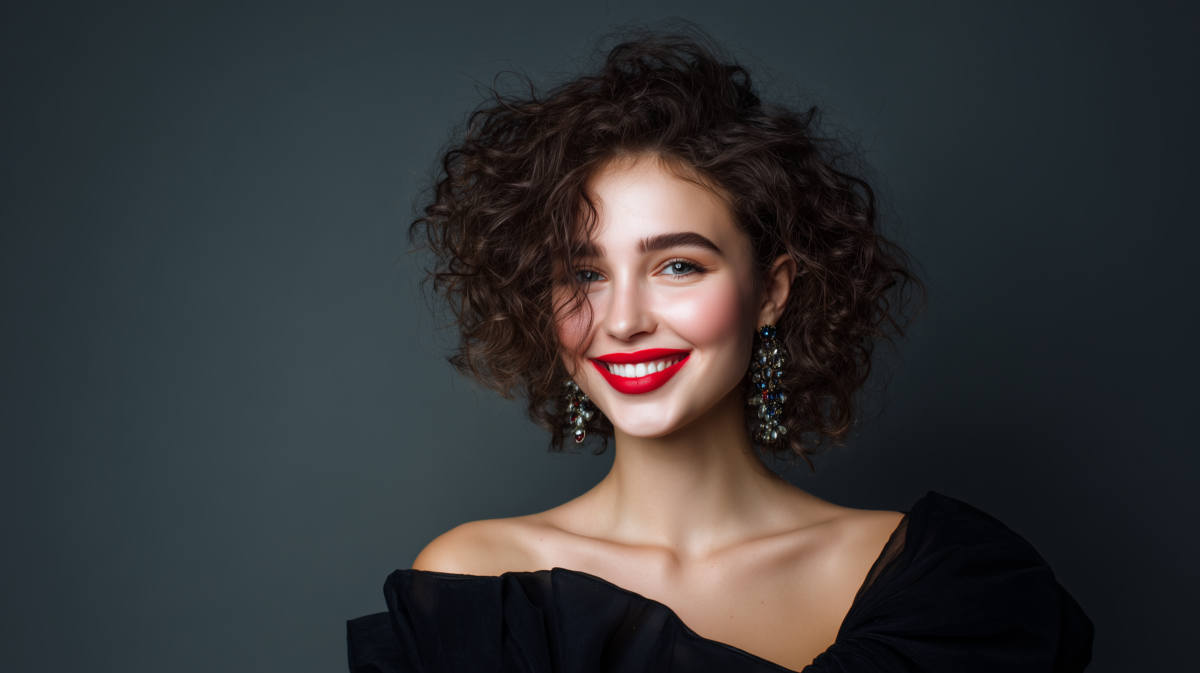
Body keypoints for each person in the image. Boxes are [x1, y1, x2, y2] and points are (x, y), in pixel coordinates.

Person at [347, 30, 1093, 672]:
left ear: (771, 289)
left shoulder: (943, 588)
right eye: (584, 274)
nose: (625, 319)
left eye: (679, 265)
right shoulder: (480, 587)